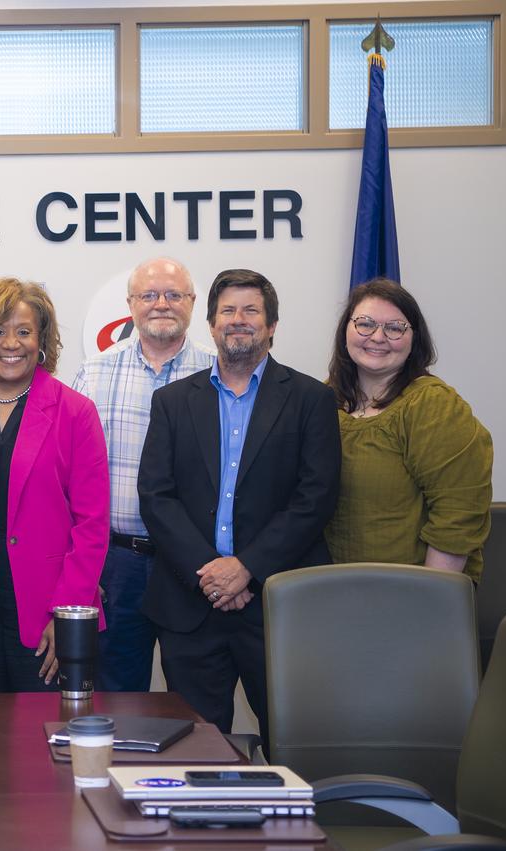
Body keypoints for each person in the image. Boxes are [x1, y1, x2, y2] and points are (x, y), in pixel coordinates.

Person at [138, 269, 340, 747]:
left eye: (252, 311)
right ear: (210, 324)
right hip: (192, 605)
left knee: (293, 743)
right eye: (227, 311)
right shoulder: (172, 401)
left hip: (275, 604)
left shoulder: (312, 399)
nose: (238, 320)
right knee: (193, 749)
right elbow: (156, 495)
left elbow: (316, 498)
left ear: (272, 326)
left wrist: (246, 568)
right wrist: (211, 572)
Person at [0, 278, 109, 692]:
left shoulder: (75, 412)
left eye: (23, 331)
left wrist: (67, 613)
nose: (10, 344)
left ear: (41, 340)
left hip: (44, 605)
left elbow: (91, 525)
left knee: (42, 736)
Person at [71, 257, 215, 692]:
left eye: (174, 295)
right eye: (149, 295)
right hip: (117, 564)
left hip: (193, 565)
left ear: (192, 303)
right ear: (130, 304)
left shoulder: (218, 375)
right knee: (117, 697)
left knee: (197, 699)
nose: (161, 304)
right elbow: (70, 479)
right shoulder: (93, 374)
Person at [324, 278, 492, 580]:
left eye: (394, 328)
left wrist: (427, 599)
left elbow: (458, 515)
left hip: (408, 596)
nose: (377, 337)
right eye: (365, 324)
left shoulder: (433, 406)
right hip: (327, 590)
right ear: (345, 331)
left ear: (414, 339)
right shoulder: (321, 400)